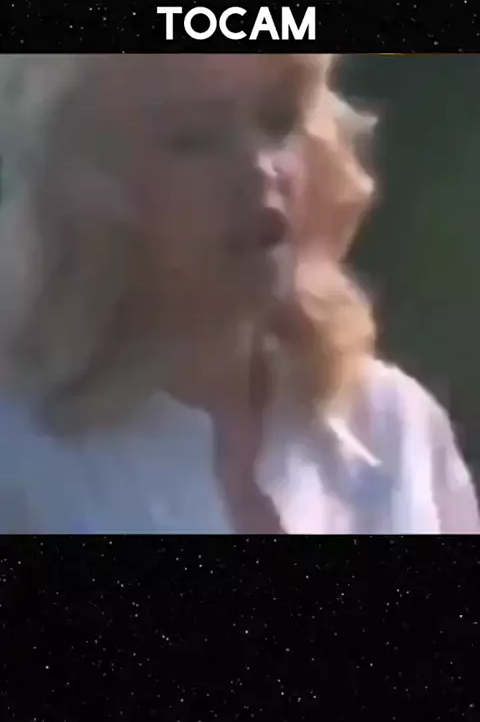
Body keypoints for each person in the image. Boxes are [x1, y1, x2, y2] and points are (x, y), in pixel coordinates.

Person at [0, 53, 477, 534]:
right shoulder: (22, 455)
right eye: (194, 140)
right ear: (92, 188)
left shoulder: (392, 423)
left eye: (278, 121)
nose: (260, 169)